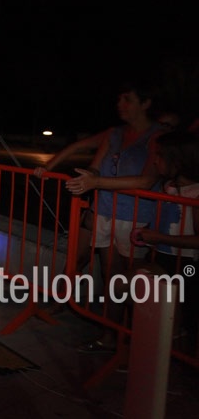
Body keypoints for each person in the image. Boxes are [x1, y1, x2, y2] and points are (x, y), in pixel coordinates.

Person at [63, 80, 165, 352]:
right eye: (119, 99)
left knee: (136, 281)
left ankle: (142, 341)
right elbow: (96, 168)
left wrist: (97, 183)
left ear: (146, 103)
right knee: (111, 278)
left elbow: (147, 181)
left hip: (136, 217)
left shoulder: (157, 136)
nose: (120, 105)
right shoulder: (115, 134)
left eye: (127, 99)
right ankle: (110, 337)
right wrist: (87, 177)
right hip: (106, 211)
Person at [130, 131, 199, 348]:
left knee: (175, 315)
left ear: (177, 161)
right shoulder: (167, 187)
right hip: (161, 256)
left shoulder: (196, 193)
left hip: (186, 265)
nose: (154, 160)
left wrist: (160, 237)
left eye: (159, 155)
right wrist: (147, 232)